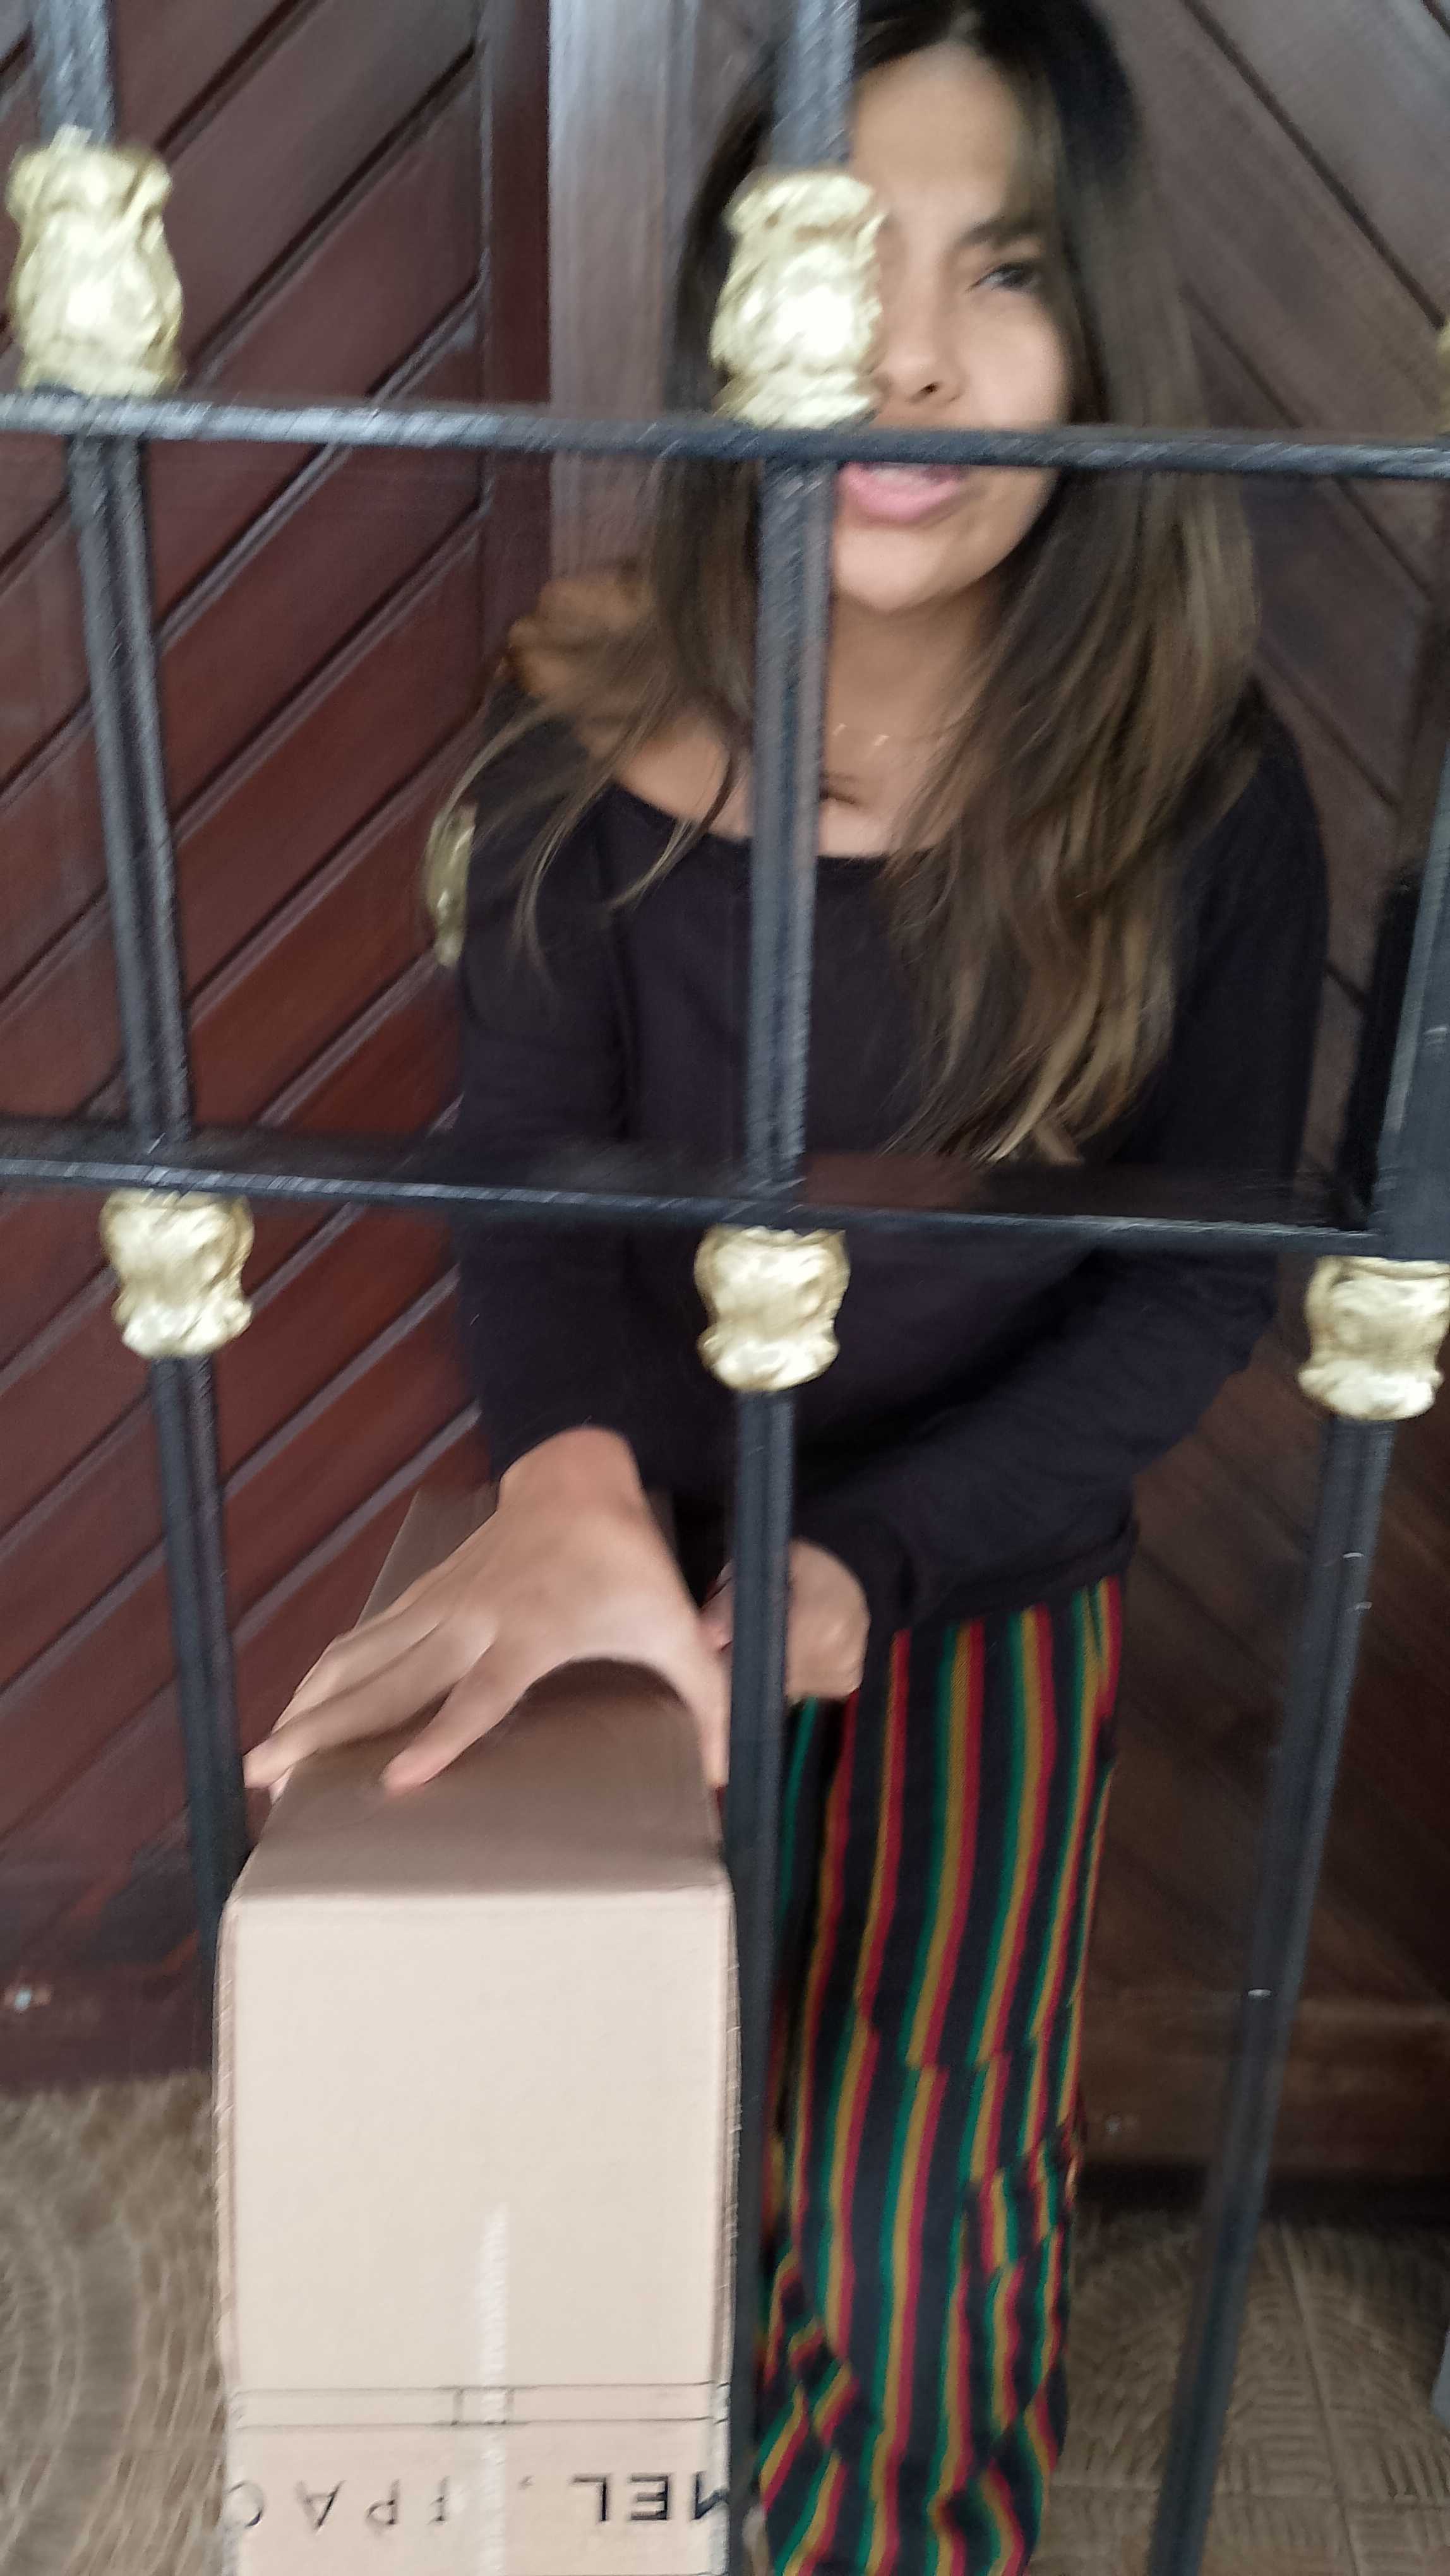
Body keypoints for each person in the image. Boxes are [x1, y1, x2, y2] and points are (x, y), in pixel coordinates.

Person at [244, 3, 1327, 2567]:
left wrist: (859, 1570)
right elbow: (527, 1182)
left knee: (908, 2208)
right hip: (615, 1547)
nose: (906, 355)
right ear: (737, 307)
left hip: (979, 1571)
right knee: (596, 2134)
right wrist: (572, 1488)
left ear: (1108, 334)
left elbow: (1190, 1293)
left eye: (1008, 270)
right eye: (839, 253)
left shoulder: (1198, 795)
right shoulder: (578, 746)